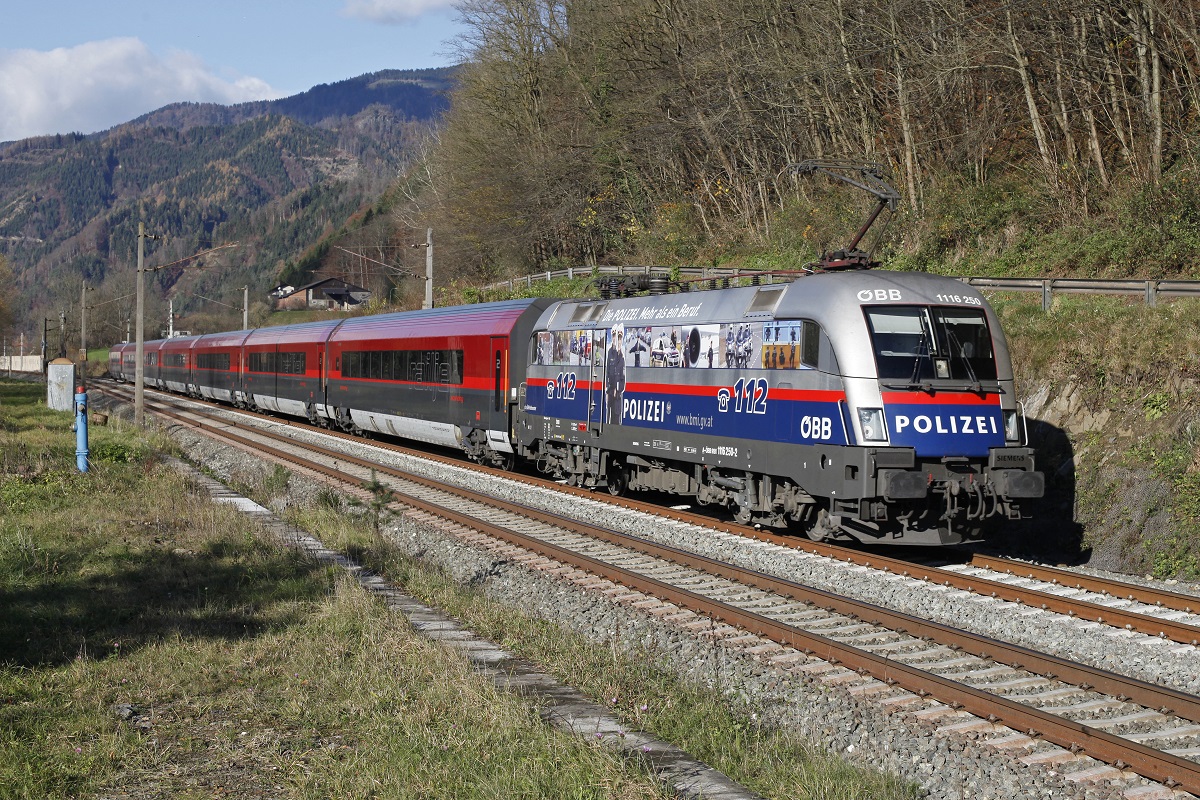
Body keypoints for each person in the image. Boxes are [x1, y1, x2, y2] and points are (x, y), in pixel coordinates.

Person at [605, 324, 626, 423]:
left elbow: (623, 379)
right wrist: (609, 390)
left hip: (617, 396)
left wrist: (617, 390)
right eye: (614, 337)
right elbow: (607, 373)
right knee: (608, 419)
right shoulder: (609, 353)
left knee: (616, 420)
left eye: (619, 338)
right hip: (610, 394)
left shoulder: (622, 357)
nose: (617, 340)